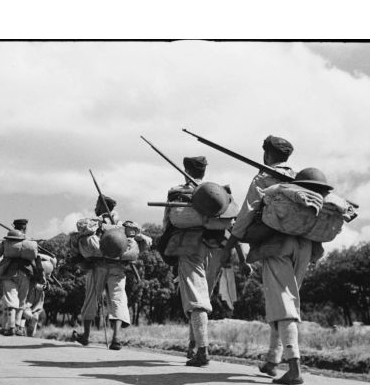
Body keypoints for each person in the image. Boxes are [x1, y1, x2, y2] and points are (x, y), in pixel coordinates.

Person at [220, 136, 328, 385]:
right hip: (305, 246)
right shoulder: (301, 178)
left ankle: (294, 368)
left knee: (283, 305)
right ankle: (272, 360)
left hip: (278, 245)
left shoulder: (263, 178)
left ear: (267, 154)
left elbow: (246, 215)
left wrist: (229, 246)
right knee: (283, 302)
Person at [160, 157, 243, 367]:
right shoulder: (219, 194)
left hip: (189, 248)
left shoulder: (177, 191)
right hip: (216, 249)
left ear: (185, 169)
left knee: (196, 299)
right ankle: (193, 345)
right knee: (201, 297)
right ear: (204, 171)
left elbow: (168, 222)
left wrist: (166, 248)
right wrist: (241, 259)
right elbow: (235, 226)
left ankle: (203, 350)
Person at [72, 196, 151, 349]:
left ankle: (86, 336)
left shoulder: (95, 223)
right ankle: (116, 338)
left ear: (102, 206)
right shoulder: (124, 225)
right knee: (118, 299)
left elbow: (81, 231)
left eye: (97, 205)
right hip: (118, 267)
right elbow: (144, 241)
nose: (95, 208)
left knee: (91, 298)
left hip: (98, 266)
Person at [0, 229, 38, 336]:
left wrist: (2, 244)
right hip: (25, 273)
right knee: (22, 301)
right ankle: (18, 327)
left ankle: (11, 327)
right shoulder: (28, 243)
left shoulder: (6, 243)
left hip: (9, 273)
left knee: (11, 300)